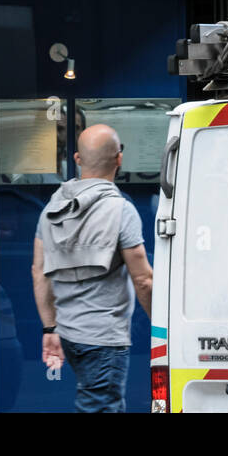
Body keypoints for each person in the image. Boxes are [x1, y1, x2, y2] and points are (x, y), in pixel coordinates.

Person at [32, 123, 153, 413]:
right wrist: (165, 327)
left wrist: (50, 327)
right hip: (104, 339)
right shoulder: (121, 210)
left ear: (77, 159)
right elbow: (144, 280)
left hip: (69, 334)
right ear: (119, 159)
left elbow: (39, 271)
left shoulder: (50, 209)